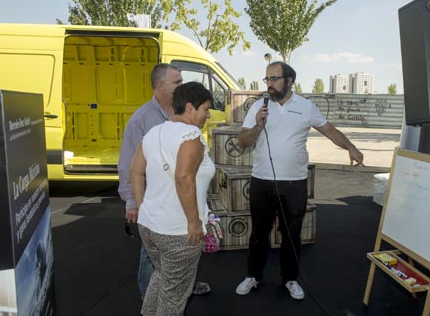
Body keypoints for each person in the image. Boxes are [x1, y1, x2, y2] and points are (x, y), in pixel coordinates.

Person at [235, 61, 364, 300]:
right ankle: (253, 276)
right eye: (267, 79)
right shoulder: (258, 107)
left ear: (289, 80)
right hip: (262, 181)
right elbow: (243, 142)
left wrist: (351, 147)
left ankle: (290, 279)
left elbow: (330, 130)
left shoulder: (306, 107)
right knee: (258, 234)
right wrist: (258, 126)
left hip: (294, 183)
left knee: (291, 234)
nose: (269, 84)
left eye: (274, 79)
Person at [117, 63, 209, 299]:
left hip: (165, 214)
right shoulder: (144, 120)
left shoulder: (173, 118)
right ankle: (155, 293)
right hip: (166, 217)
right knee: (156, 272)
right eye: (177, 82)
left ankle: (177, 285)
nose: (182, 85)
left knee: (165, 272)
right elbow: (131, 166)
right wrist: (136, 204)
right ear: (160, 85)